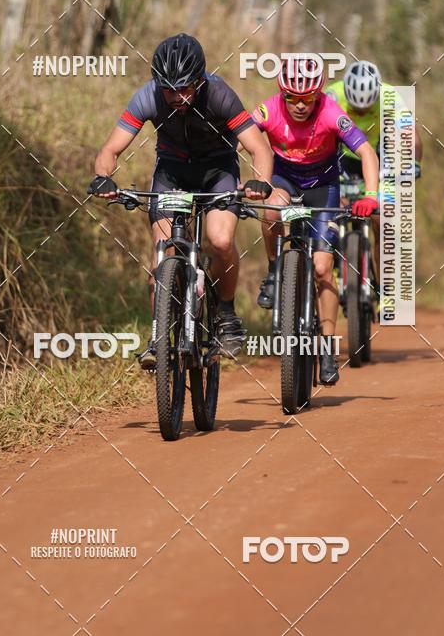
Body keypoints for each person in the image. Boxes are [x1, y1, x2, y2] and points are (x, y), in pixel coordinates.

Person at [89, 33, 274, 367]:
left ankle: (226, 314)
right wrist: (104, 176)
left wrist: (260, 181)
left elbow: (259, 147)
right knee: (162, 256)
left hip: (217, 171)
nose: (177, 96)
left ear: (200, 80)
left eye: (185, 88)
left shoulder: (220, 95)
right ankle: (159, 338)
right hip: (172, 173)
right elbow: (111, 149)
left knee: (220, 240)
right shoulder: (148, 97)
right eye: (169, 89)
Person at [253, 55, 379, 385]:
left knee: (323, 267)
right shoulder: (268, 109)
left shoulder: (331, 113)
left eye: (306, 98)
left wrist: (371, 195)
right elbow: (240, 135)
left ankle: (325, 347)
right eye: (291, 97)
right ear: (281, 93)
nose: (298, 105)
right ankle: (272, 271)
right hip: (284, 181)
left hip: (324, 188)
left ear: (318, 94)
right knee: (269, 211)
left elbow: (367, 152)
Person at [326, 61, 423, 278]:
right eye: (356, 108)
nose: (361, 112)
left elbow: (411, 136)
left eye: (366, 108)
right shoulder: (332, 95)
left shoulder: (391, 97)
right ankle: (332, 255)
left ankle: (384, 287)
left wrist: (413, 163)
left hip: (381, 156)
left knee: (382, 219)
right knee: (333, 207)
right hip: (343, 156)